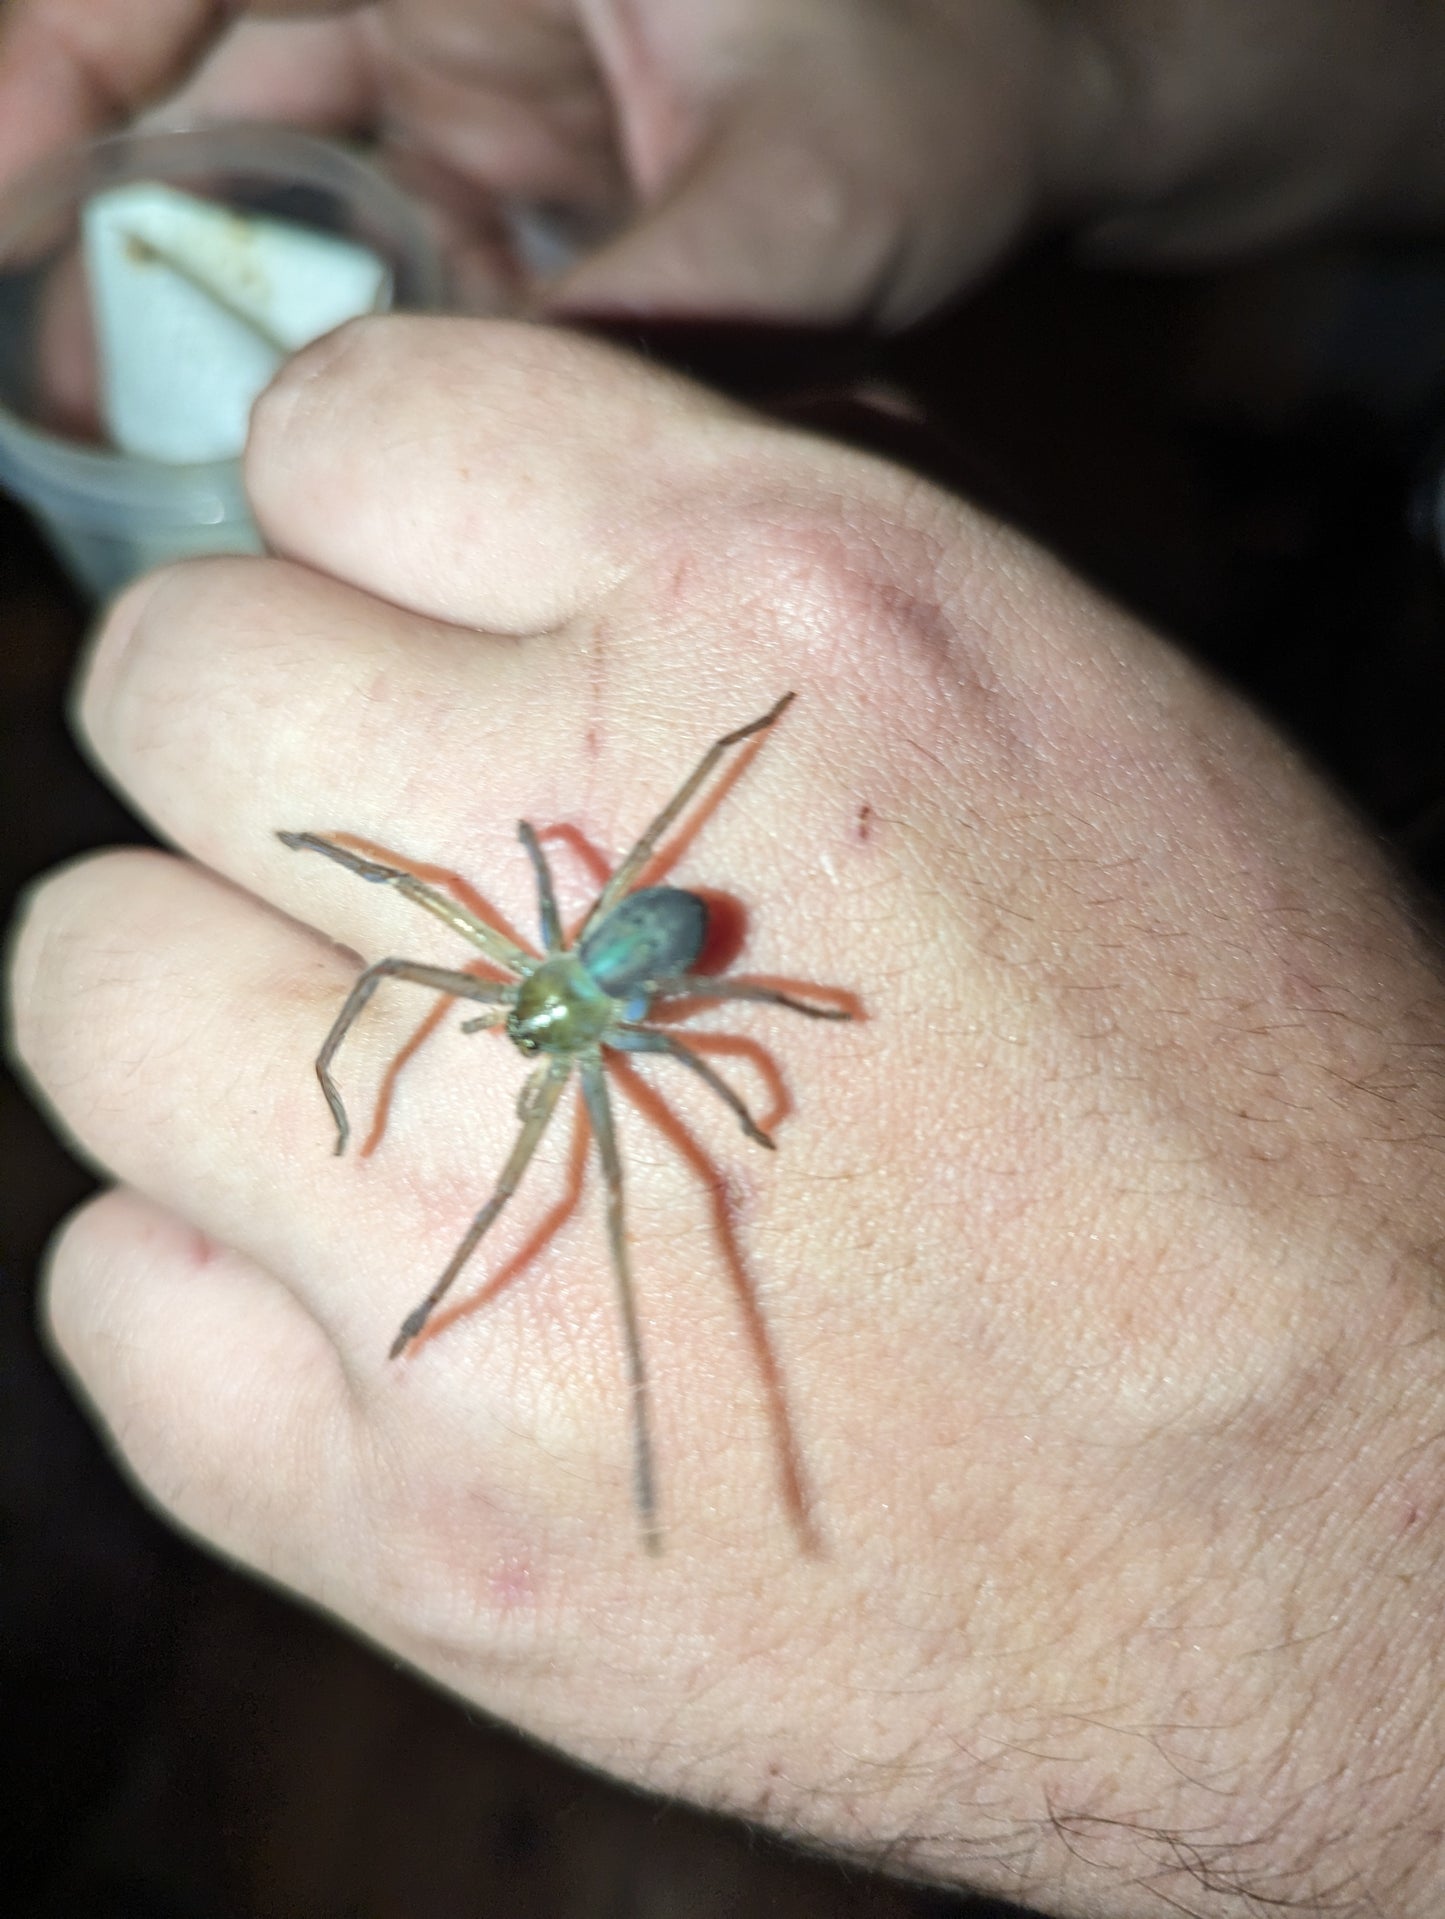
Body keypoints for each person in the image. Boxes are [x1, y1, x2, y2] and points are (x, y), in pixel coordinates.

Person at [8, 5, 1445, 1914]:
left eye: (529, 1004)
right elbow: (464, 941)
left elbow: (676, 996)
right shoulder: (523, 972)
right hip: (627, 941)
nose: (521, 1020)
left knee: (613, 1167)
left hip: (658, 944)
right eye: (533, 1004)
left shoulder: (601, 1017)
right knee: (461, 971)